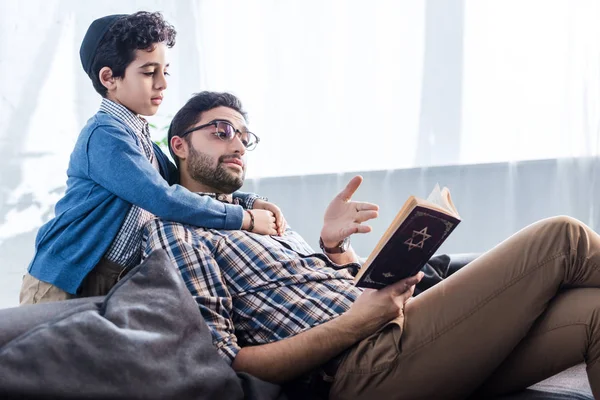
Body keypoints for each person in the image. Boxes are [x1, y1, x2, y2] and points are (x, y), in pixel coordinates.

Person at [143, 91, 600, 400]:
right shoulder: (175, 231)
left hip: (400, 333)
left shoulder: (263, 217)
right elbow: (226, 365)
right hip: (362, 366)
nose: (238, 143)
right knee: (562, 237)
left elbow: (335, 295)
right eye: (221, 131)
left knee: (595, 311)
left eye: (244, 136)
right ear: (179, 145)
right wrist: (356, 325)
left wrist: (334, 247)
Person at [20, 12, 285, 305]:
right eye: (149, 73)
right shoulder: (105, 135)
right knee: (54, 353)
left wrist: (248, 201)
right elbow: (163, 198)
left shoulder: (140, 138)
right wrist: (244, 219)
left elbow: (184, 185)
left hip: (111, 281)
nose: (162, 84)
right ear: (109, 78)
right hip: (63, 281)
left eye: (165, 72)